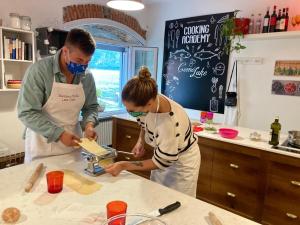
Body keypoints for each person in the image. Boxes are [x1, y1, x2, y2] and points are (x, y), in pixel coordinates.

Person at [105, 67, 201, 197]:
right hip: (163, 154)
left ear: (149, 104)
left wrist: (124, 165)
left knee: (178, 201)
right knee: (157, 195)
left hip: (181, 165)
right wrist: (140, 141)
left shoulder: (169, 124)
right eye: (128, 110)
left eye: (133, 111)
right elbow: (144, 122)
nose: (132, 114)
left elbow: (161, 162)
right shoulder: (148, 100)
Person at [17, 28, 99, 162]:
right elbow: (26, 112)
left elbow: (91, 107)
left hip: (73, 146)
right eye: (79, 60)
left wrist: (89, 125)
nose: (83, 66)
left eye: (87, 61)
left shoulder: (87, 76)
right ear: (65, 51)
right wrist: (59, 134)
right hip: (42, 146)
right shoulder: (39, 71)